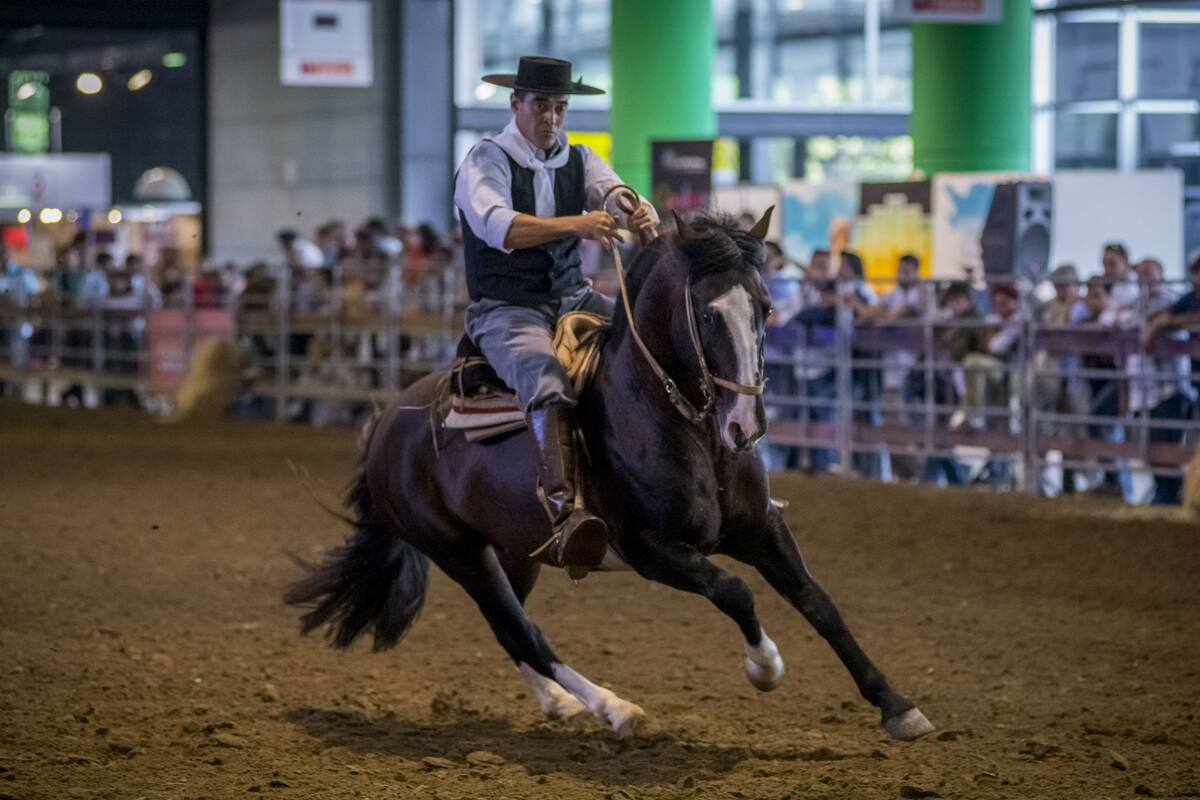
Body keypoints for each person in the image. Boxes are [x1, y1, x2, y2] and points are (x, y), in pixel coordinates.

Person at [453, 56, 658, 570]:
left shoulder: (581, 159)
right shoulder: (486, 160)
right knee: (546, 382)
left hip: (572, 297)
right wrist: (578, 225)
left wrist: (635, 207)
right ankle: (566, 512)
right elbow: (501, 228)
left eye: (560, 106)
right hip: (506, 308)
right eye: (541, 104)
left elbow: (612, 193)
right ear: (515, 104)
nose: (552, 116)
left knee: (651, 346)